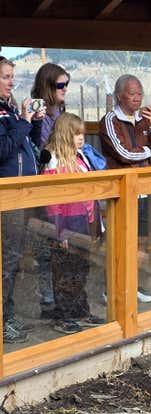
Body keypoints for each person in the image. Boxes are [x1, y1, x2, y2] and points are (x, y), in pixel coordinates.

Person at [99, 74, 151, 302]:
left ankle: (132, 286)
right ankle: (111, 289)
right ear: (119, 96)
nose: (137, 98)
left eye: (140, 93)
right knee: (120, 241)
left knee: (141, 242)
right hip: (121, 192)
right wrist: (147, 152)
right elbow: (123, 154)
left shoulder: (145, 119)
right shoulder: (110, 120)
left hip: (143, 191)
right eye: (132, 94)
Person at [41, 113, 104, 334]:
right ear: (65, 134)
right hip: (65, 224)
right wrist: (60, 232)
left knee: (81, 269)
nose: (81, 138)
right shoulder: (53, 159)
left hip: (84, 222)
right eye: (76, 134)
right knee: (64, 272)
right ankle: (63, 316)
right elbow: (51, 201)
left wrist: (95, 225)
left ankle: (80, 311)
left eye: (82, 134)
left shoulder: (81, 157)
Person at [0, 56, 45, 343]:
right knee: (7, 259)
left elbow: (31, 147)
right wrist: (24, 122)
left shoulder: (10, 110)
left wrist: (34, 124)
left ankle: (7, 313)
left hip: (22, 193)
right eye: (5, 77)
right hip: (6, 195)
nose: (11, 82)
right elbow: (3, 150)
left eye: (11, 77)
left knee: (13, 258)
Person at [31, 62, 71, 318]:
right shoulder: (40, 116)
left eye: (67, 84)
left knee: (65, 244)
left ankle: (64, 297)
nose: (65, 88)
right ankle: (48, 299)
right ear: (48, 86)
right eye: (60, 85)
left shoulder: (62, 113)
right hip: (45, 186)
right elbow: (42, 149)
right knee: (46, 245)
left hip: (65, 186)